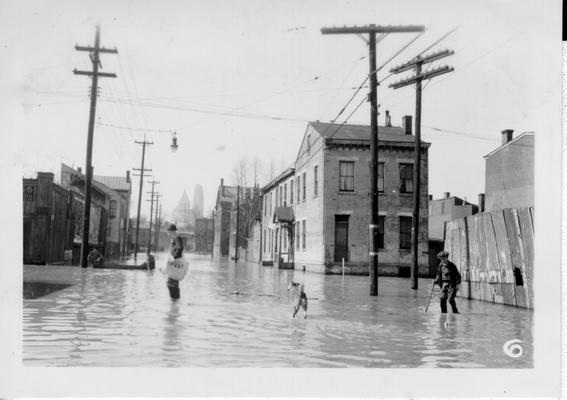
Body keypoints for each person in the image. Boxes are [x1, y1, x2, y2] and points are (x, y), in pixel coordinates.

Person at [165, 224, 184, 300]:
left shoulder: (177, 238)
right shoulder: (174, 238)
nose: (167, 233)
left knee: (171, 285)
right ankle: (175, 307)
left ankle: (175, 305)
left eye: (168, 231)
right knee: (172, 286)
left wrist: (174, 258)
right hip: (174, 266)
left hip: (175, 263)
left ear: (171, 231)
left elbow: (180, 249)